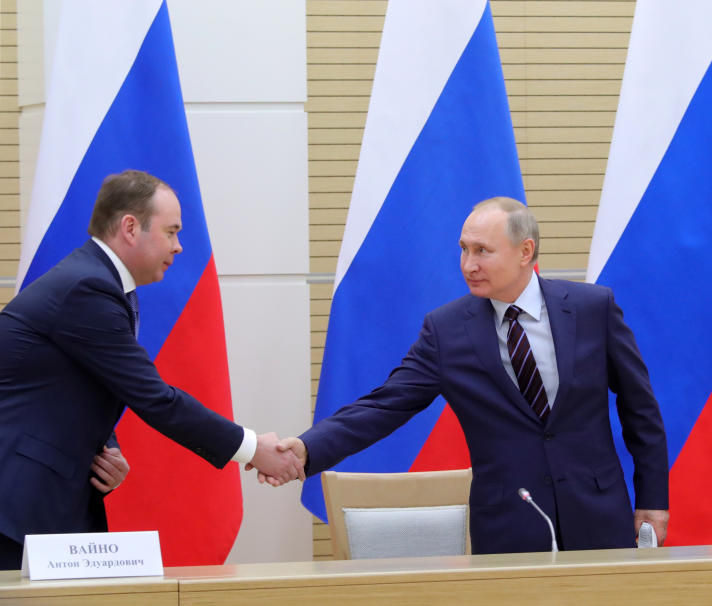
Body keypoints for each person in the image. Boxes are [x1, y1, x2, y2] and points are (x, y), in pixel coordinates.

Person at [278, 197, 669, 554]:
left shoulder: (592, 309)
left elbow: (641, 410)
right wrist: (307, 449)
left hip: (599, 520)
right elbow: (385, 405)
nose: (468, 264)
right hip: (508, 528)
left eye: (482, 251)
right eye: (464, 249)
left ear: (525, 251)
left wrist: (653, 499)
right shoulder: (446, 331)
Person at [0, 170, 304, 569]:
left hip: (43, 503)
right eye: (172, 231)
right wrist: (253, 448)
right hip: (15, 505)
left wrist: (108, 447)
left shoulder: (99, 281)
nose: (179, 247)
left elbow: (71, 384)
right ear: (130, 227)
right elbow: (156, 399)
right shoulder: (87, 289)